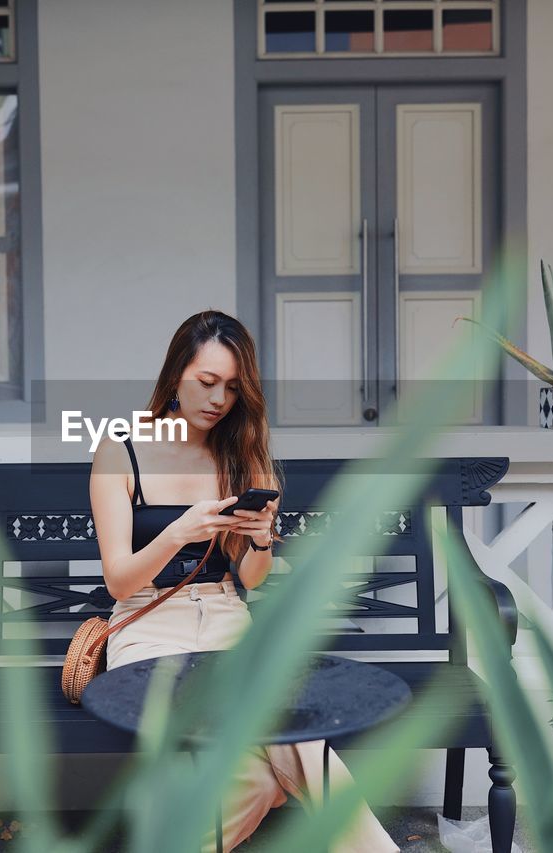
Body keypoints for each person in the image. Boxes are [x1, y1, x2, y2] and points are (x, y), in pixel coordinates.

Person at [89, 310, 401, 853]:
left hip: (227, 615)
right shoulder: (121, 452)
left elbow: (251, 578)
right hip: (147, 625)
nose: (218, 400)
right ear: (175, 376)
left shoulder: (239, 455)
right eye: (206, 382)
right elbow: (118, 580)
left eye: (232, 388)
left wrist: (260, 537)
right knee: (260, 750)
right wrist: (179, 531)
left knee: (280, 749)